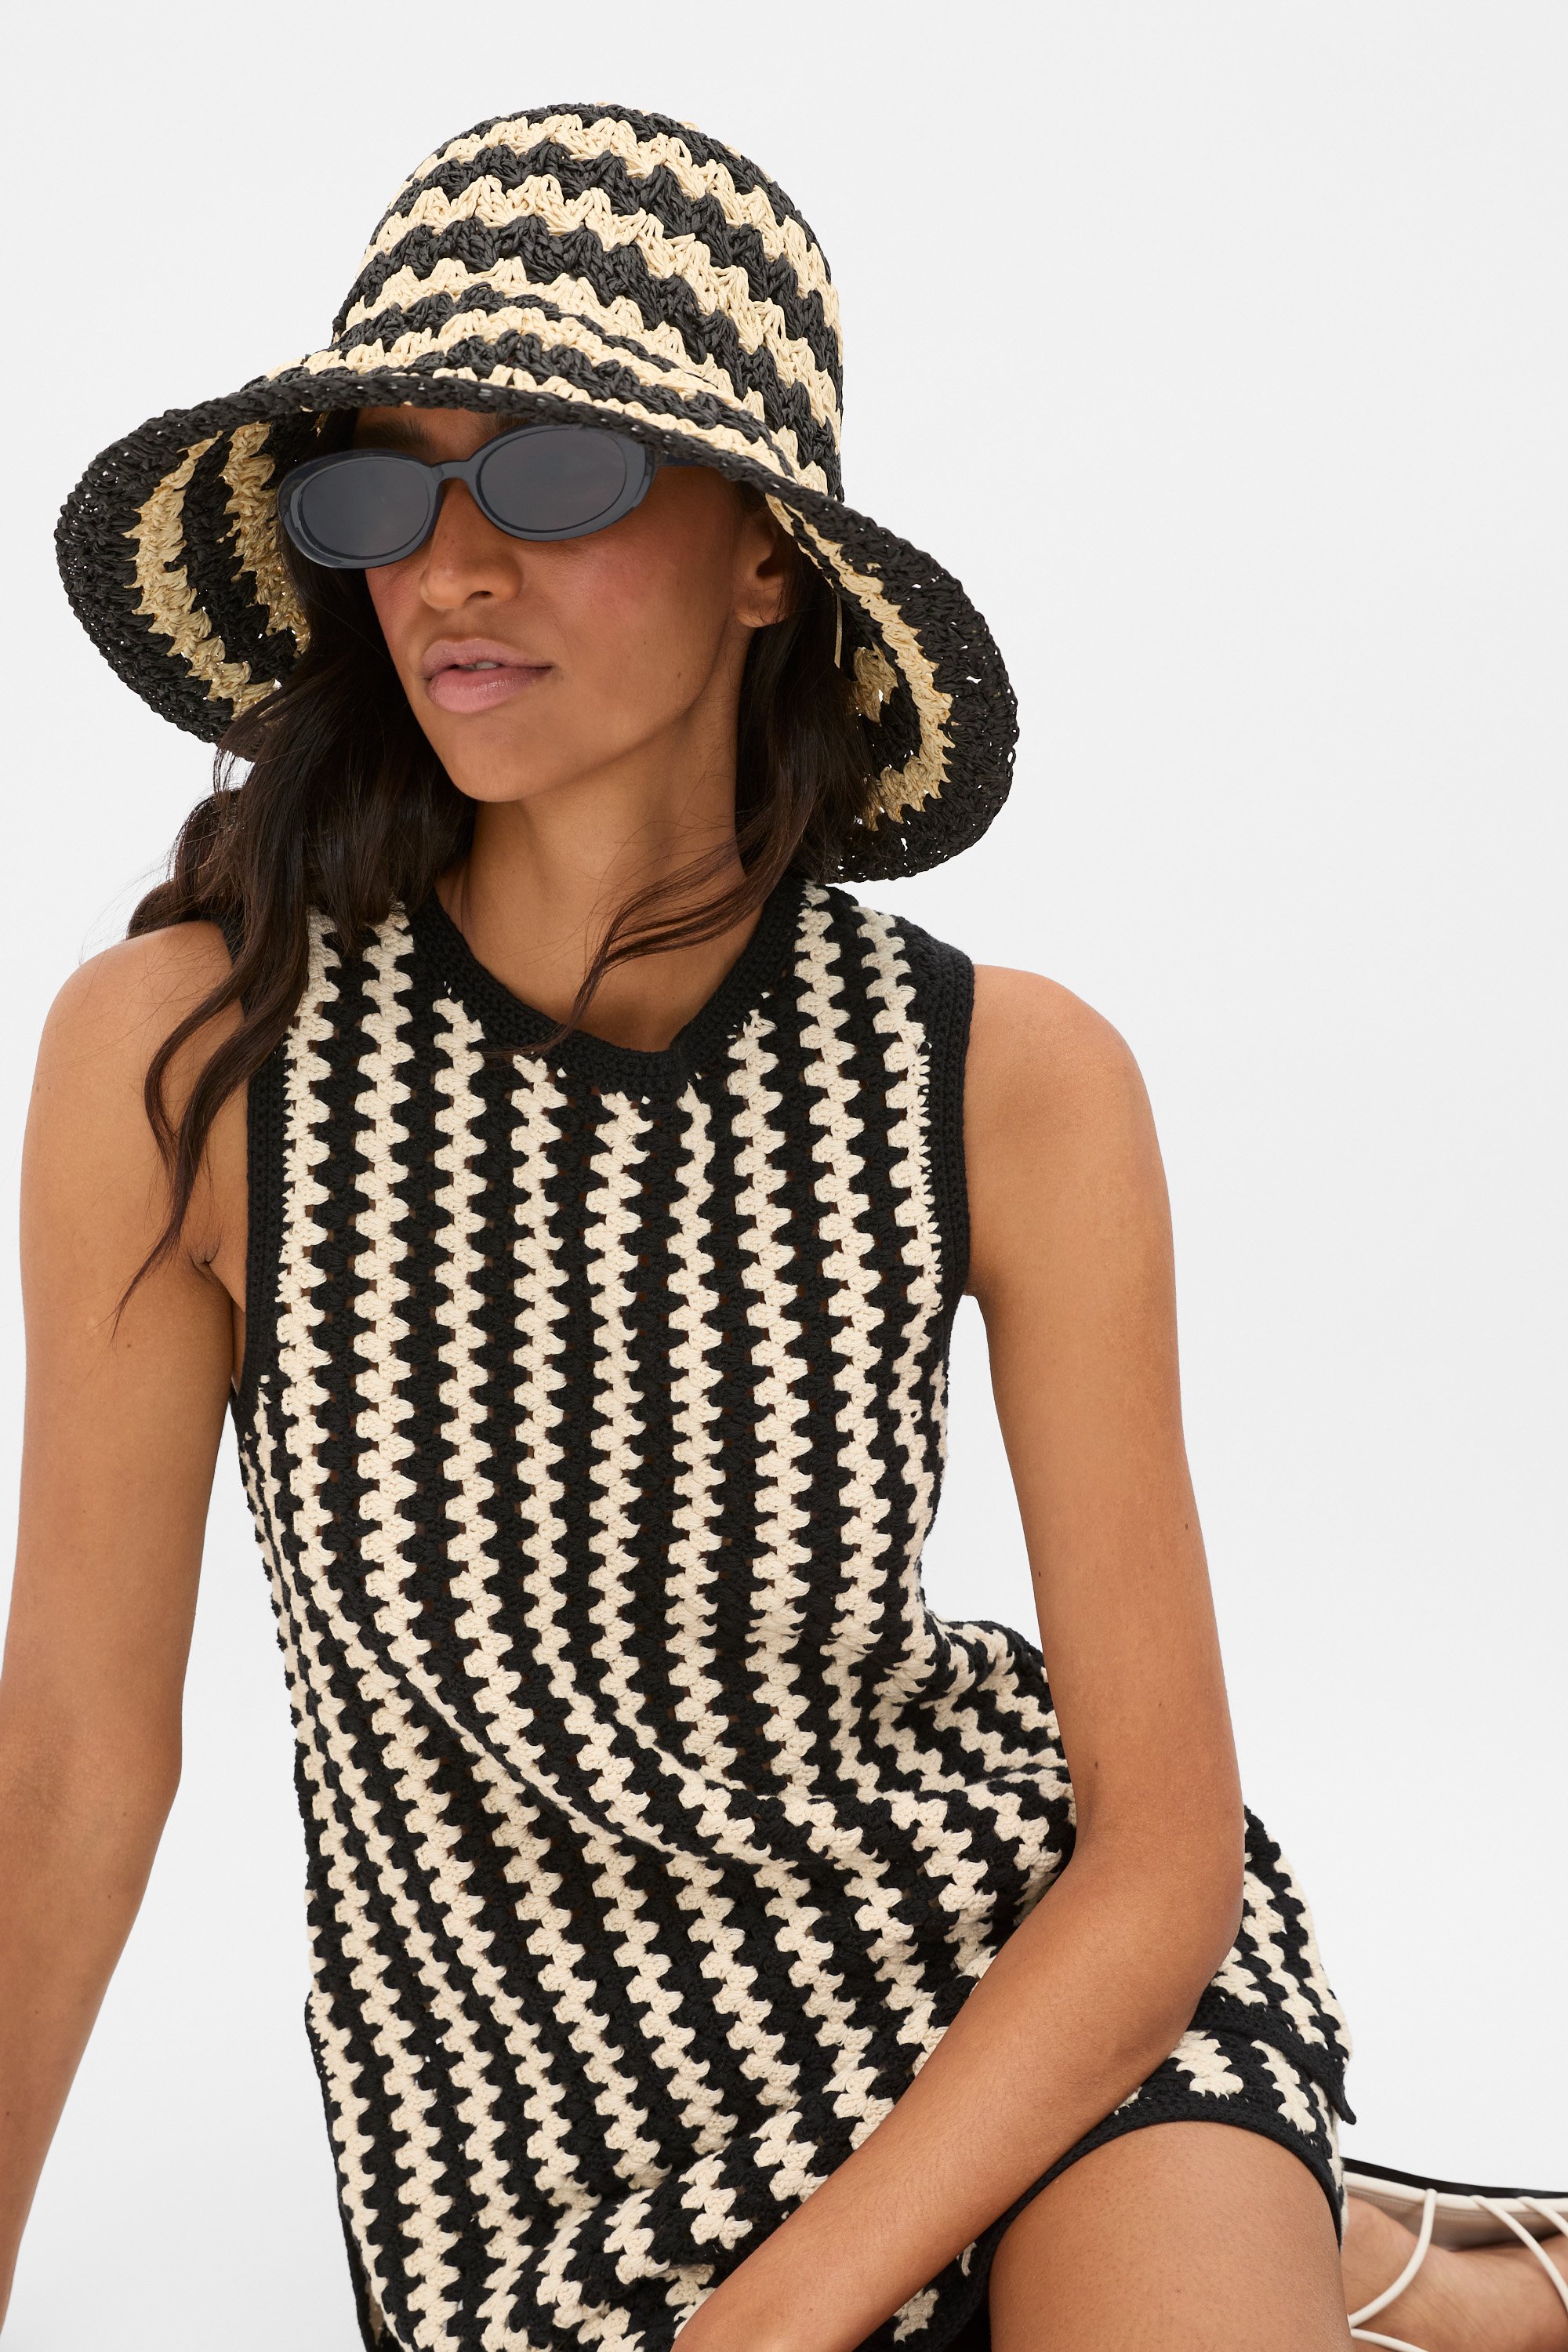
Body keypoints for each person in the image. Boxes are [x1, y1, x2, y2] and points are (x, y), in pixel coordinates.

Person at [2, 103, 1563, 2352]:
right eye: (382, 492)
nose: (449, 568)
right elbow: (72, 1770)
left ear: (767, 559)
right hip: (533, 2159)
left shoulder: (1011, 1080)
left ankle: (1244, 2211)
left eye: (551, 473)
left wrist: (782, 2313)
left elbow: (1158, 1851)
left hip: (1014, 1983)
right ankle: (1391, 2263)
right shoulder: (189, 1060)